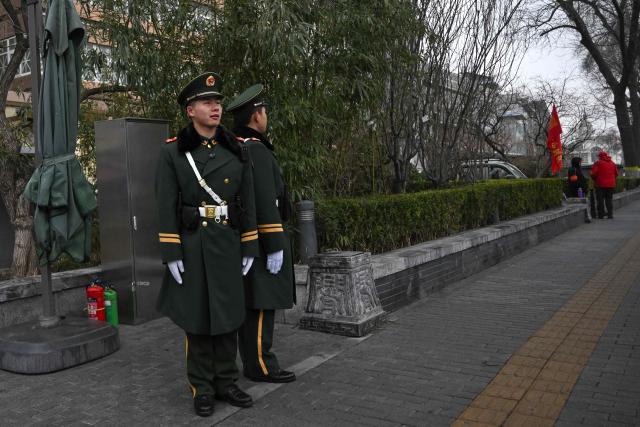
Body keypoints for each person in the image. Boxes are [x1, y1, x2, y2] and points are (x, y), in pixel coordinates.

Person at [155, 72, 260, 417]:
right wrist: (171, 251)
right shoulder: (174, 153)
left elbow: (248, 201)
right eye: (206, 102)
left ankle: (227, 381)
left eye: (217, 102)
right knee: (197, 319)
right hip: (193, 245)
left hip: (227, 242)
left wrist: (249, 245)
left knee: (229, 316)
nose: (215, 108)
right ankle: (202, 386)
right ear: (190, 110)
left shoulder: (237, 148)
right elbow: (165, 204)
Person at [227, 84, 297, 384]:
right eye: (264, 111)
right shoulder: (254, 149)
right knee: (260, 302)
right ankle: (260, 364)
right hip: (261, 240)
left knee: (252, 302)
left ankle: (254, 361)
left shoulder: (236, 144)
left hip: (245, 237)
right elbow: (265, 200)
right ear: (256, 116)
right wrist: (275, 243)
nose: (266, 116)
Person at [590, 150, 618, 219]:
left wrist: (593, 178)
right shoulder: (612, 163)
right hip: (611, 185)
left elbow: (593, 173)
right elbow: (616, 174)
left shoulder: (598, 163)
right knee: (609, 200)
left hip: (600, 185)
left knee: (600, 200)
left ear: (600, 156)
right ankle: (610, 214)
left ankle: (601, 215)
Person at [567, 156, 592, 223]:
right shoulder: (573, 169)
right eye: (580, 162)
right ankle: (586, 217)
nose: (581, 163)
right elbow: (574, 181)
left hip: (581, 189)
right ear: (577, 162)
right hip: (578, 190)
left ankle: (587, 217)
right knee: (581, 203)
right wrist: (580, 187)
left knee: (584, 203)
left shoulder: (577, 169)